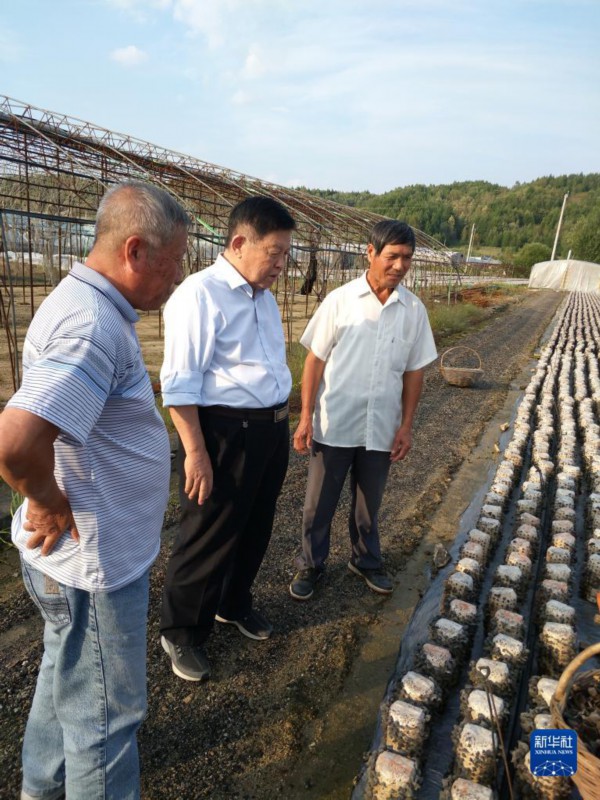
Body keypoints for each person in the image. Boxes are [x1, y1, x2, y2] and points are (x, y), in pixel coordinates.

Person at [0, 180, 190, 800]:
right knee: (106, 718)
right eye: (174, 261)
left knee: (68, 681)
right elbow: (15, 441)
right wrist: (47, 499)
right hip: (94, 563)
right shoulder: (90, 325)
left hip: (77, 561)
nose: (178, 276)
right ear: (135, 251)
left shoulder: (87, 306)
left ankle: (40, 790)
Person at [159, 195, 295, 682]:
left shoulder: (265, 297)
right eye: (275, 253)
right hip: (223, 432)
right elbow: (180, 384)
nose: (281, 264)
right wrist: (195, 452)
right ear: (239, 243)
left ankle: (233, 603)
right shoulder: (200, 295)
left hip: (270, 428)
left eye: (286, 254)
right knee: (208, 530)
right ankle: (181, 631)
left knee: (256, 521)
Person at [289, 220, 437, 601]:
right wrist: (305, 417)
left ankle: (366, 560)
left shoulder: (413, 310)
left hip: (381, 425)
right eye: (393, 256)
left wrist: (406, 425)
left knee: (369, 503)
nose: (400, 266)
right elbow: (315, 361)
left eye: (407, 258)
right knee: (319, 502)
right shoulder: (340, 301)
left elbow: (414, 372)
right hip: (335, 421)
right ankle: (311, 563)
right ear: (370, 253)